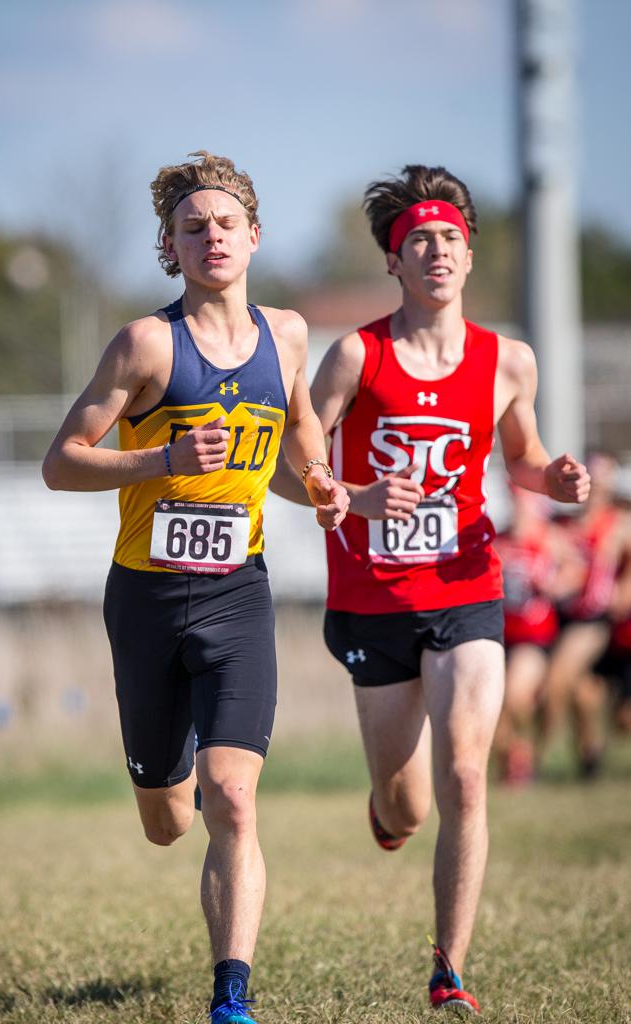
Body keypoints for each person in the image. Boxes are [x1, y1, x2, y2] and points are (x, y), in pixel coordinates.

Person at [271, 164, 590, 1014]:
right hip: (373, 598)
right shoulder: (357, 356)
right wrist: (350, 496)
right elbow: (284, 469)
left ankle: (449, 969)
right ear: (394, 261)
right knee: (406, 802)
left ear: (470, 252)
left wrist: (549, 477)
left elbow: (518, 456)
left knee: (466, 773)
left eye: (449, 236)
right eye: (419, 239)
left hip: (465, 586)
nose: (436, 249)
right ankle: (387, 811)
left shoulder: (507, 360)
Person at [42, 151, 349, 1024]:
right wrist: (161, 458)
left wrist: (321, 485)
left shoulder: (287, 333)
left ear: (254, 236)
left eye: (225, 223)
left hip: (237, 595)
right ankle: (160, 776)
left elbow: (293, 450)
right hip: (144, 600)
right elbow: (61, 463)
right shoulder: (147, 344)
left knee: (235, 798)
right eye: (192, 227)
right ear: (170, 249)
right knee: (168, 819)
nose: (211, 236)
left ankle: (231, 998)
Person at [540, 453, 631, 776]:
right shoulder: (564, 524)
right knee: (584, 692)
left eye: (603, 479)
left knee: (558, 681)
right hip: (561, 617)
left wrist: (624, 589)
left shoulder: (619, 523)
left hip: (596, 621)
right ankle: (589, 757)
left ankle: (537, 754)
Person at [492, 486, 581, 784]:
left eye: (523, 502)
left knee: (515, 694)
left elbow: (576, 570)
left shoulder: (549, 538)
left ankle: (526, 750)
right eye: (514, 501)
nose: (518, 509)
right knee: (492, 704)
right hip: (500, 634)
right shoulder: (498, 539)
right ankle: (515, 757)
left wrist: (555, 585)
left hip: (535, 637)